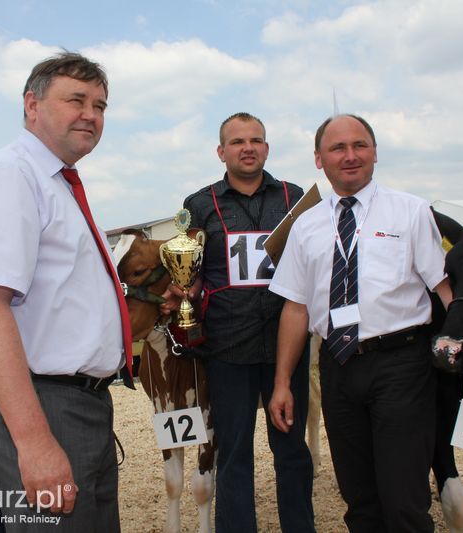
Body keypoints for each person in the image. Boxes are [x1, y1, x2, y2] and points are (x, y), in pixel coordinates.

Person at [268, 114, 463, 532]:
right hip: (339, 369)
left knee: (405, 503)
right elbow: (296, 308)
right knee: (360, 503)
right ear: (319, 159)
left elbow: (447, 289)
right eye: (338, 148)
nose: (350, 155)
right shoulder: (305, 226)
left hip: (401, 367)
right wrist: (283, 383)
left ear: (375, 152)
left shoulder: (411, 212)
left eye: (359, 145)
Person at [0, 51, 131, 531]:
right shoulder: (10, 175)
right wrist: (34, 442)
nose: (91, 115)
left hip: (78, 403)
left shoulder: (56, 182)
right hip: (43, 403)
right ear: (32, 105)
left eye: (100, 106)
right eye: (76, 99)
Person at [180, 112, 315, 533]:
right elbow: (191, 269)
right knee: (234, 452)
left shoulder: (296, 197)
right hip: (228, 345)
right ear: (222, 152)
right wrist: (183, 291)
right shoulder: (198, 205)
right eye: (237, 142)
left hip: (286, 346)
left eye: (256, 140)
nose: (248, 148)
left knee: (292, 449)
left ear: (267, 148)